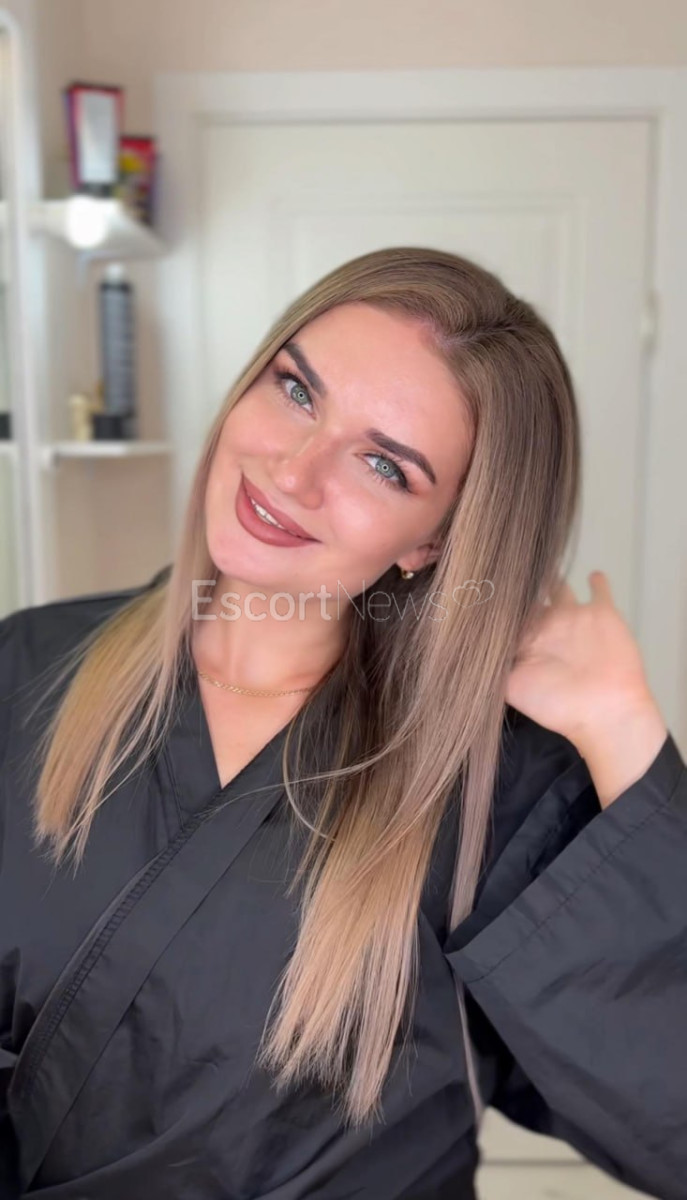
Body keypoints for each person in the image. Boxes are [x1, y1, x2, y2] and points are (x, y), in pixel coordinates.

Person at [0, 246, 685, 1199]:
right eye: (295, 390)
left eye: (381, 464)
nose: (292, 470)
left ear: (434, 539)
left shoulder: (493, 782)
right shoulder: (25, 667)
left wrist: (620, 728)